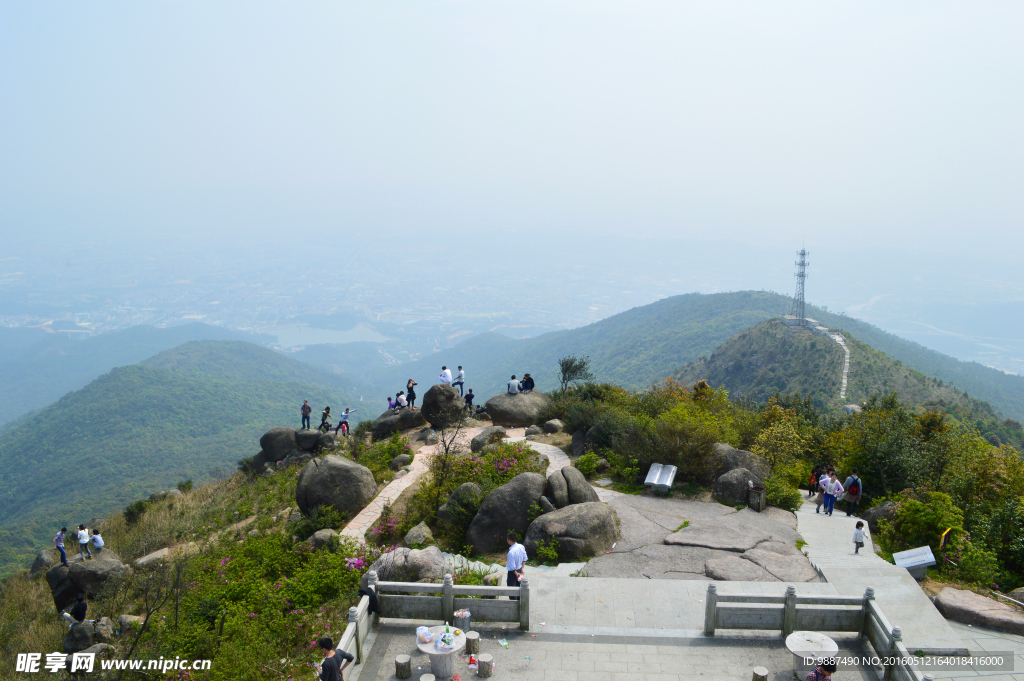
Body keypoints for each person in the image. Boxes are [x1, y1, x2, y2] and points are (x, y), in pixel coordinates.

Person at [506, 532, 527, 601]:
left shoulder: (511, 552)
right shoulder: (521, 546)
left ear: (509, 541)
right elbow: (525, 558)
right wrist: (522, 568)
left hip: (513, 573)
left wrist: (516, 574)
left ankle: (514, 605)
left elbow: (512, 566)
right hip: (520, 571)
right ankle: (519, 603)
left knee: (512, 590)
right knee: (519, 587)